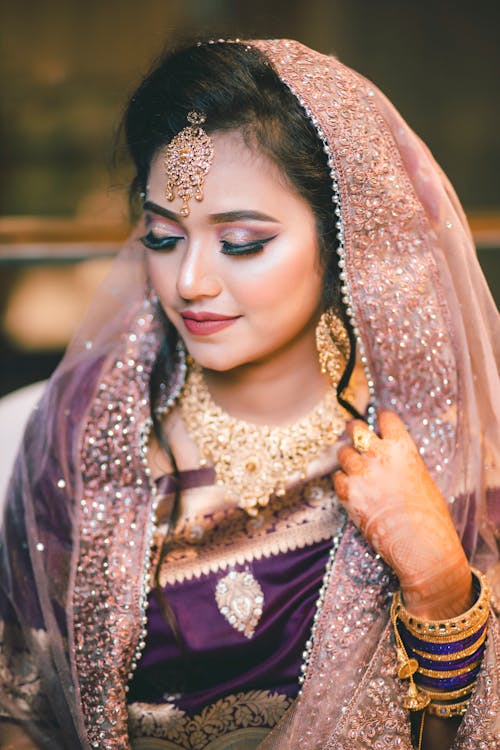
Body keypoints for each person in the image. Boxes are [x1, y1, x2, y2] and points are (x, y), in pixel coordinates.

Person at [0, 38, 498, 750]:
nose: (191, 281)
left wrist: (442, 588)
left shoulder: (437, 438)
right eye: (163, 237)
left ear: (341, 239)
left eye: (240, 242)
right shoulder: (88, 422)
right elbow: (22, 711)